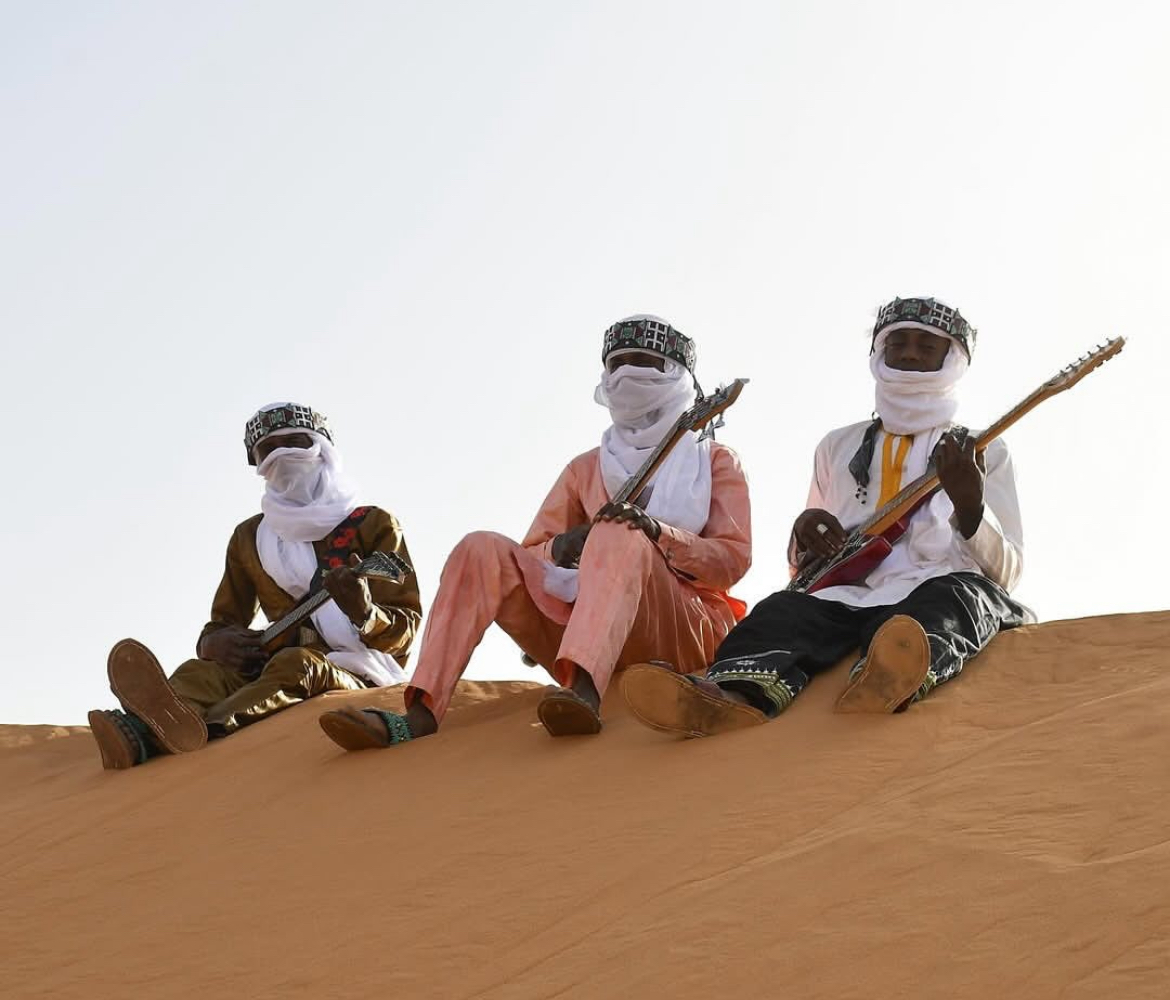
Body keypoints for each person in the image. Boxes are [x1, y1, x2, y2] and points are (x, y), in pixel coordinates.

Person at [318, 314, 751, 749]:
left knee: (619, 532)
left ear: (675, 374)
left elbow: (732, 560)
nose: (625, 375)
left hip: (683, 630)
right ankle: (420, 712)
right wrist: (561, 546)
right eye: (616, 364)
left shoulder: (714, 461)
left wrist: (656, 534)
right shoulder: (585, 469)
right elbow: (533, 555)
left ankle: (584, 691)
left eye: (641, 362)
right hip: (581, 624)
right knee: (479, 548)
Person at [622, 296, 1032, 737]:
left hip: (934, 586)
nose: (910, 354)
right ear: (878, 353)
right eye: (898, 343)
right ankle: (726, 699)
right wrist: (804, 535)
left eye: (926, 345)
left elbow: (1007, 571)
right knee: (779, 612)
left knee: (953, 604)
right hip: (846, 596)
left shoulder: (984, 448)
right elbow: (809, 566)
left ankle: (888, 678)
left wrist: (970, 508)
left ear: (952, 360)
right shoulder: (836, 446)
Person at [88, 402, 421, 768]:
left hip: (357, 673)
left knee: (299, 665)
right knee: (200, 673)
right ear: (257, 464)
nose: (282, 456)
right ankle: (143, 728)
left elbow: (404, 633)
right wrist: (214, 643)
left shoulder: (372, 524)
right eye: (269, 450)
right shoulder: (251, 537)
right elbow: (223, 622)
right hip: (267, 668)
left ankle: (192, 732)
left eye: (294, 443)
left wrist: (365, 613)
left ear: (321, 448)